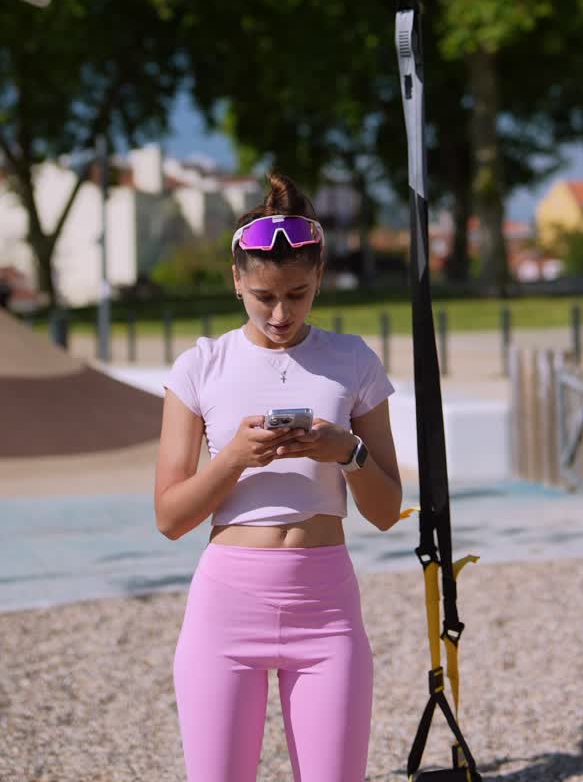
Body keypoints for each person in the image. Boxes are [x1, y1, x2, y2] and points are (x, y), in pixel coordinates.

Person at [155, 172, 401, 782]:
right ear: (236, 278)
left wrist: (346, 451)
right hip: (226, 609)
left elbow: (388, 509)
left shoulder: (352, 361)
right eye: (265, 295)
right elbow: (170, 517)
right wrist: (235, 455)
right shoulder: (200, 367)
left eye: (298, 293)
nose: (282, 313)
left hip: (327, 610)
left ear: (319, 277)